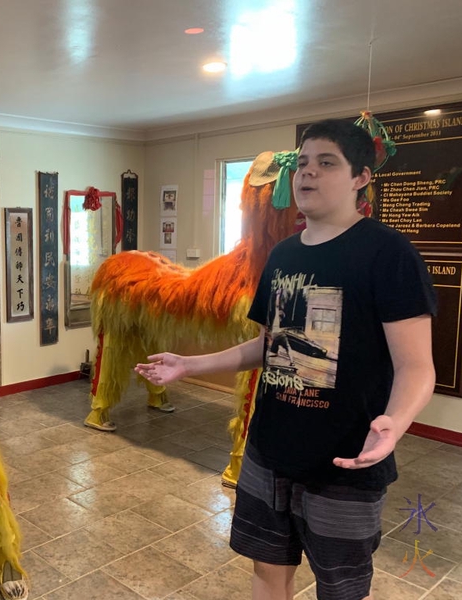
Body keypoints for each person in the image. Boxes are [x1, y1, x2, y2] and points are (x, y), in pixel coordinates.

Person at [135, 118, 436, 600]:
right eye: (302, 163)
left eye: (326, 162)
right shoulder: (283, 256)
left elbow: (418, 366)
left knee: (341, 588)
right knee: (266, 571)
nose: (307, 174)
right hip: (268, 452)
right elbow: (270, 347)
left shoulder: (389, 254)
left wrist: (393, 425)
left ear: (361, 178)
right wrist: (189, 365)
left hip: (346, 461)